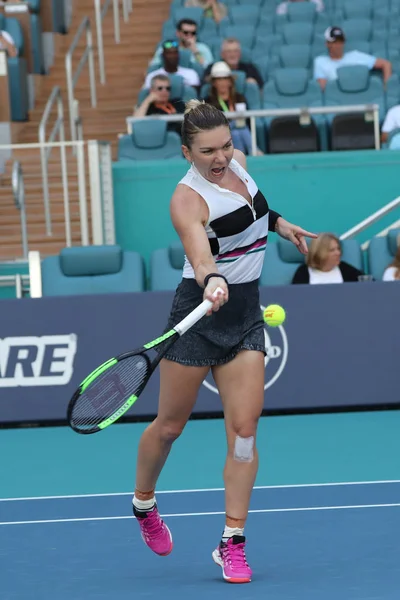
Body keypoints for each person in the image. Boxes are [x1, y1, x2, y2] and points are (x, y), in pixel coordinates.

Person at [132, 99, 317, 584]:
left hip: (245, 314)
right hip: (199, 310)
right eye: (208, 150)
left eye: (227, 145)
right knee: (170, 427)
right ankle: (143, 503)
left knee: (245, 430)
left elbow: (254, 207)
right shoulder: (186, 199)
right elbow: (198, 253)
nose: (221, 157)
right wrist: (211, 277)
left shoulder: (238, 163)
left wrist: (278, 223)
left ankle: (232, 541)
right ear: (186, 152)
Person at [204, 61, 263, 155]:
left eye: (225, 79)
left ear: (230, 81)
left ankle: (240, 157)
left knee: (237, 132)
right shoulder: (208, 102)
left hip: (239, 131)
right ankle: (254, 150)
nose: (222, 82)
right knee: (238, 129)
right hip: (219, 133)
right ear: (214, 83)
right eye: (219, 79)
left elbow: (246, 120)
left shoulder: (239, 98)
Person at [313, 27, 392, 91]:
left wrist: (386, 87)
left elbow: (386, 64)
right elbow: (323, 89)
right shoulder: (320, 62)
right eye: (334, 42)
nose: (338, 45)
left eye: (340, 42)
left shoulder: (355, 56)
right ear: (327, 44)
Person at [292, 233, 363, 284]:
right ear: (319, 252)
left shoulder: (345, 269)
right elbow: (294, 297)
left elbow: (369, 285)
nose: (338, 253)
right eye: (332, 250)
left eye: (338, 249)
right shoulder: (303, 272)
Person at [149, 19, 213, 69]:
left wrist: (196, 52)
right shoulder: (168, 47)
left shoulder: (203, 48)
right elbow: (153, 67)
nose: (189, 36)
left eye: (193, 33)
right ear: (178, 33)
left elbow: (207, 69)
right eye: (186, 33)